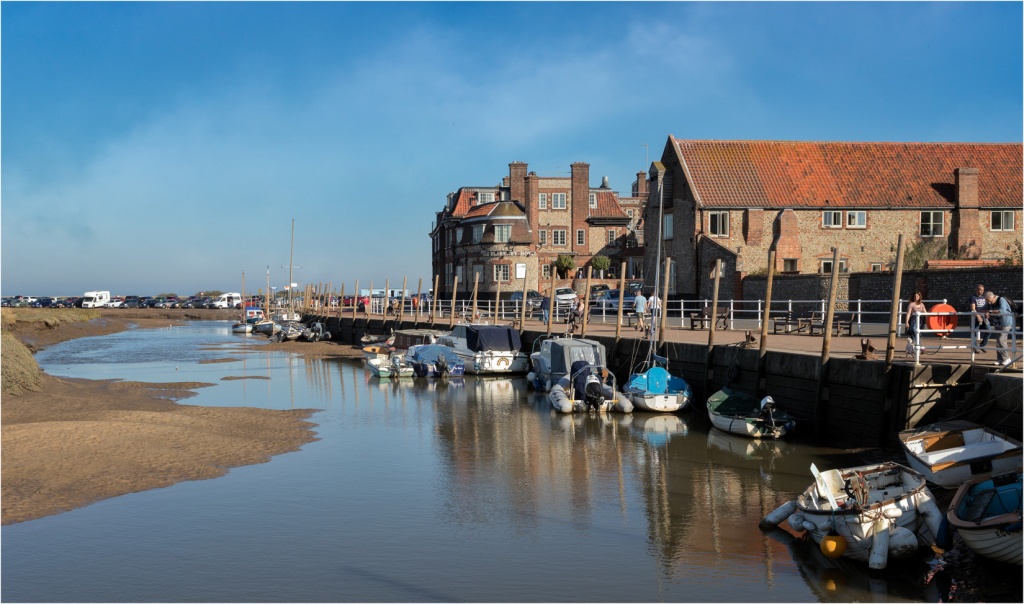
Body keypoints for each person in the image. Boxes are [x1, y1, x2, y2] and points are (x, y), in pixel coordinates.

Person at [984, 291, 1015, 366]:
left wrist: (990, 311)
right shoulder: (989, 302)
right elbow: (983, 309)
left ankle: (1007, 358)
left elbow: (1002, 310)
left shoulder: (1001, 300)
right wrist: (987, 312)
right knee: (998, 341)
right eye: (987, 301)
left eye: (989, 300)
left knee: (1001, 340)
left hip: (1005, 323)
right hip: (997, 323)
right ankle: (1000, 359)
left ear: (993, 296)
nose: (989, 302)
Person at [969, 283, 990, 353]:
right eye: (979, 290)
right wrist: (977, 316)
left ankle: (982, 345)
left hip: (984, 318)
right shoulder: (973, 298)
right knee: (974, 332)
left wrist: (987, 313)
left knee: (988, 331)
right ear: (976, 290)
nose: (981, 291)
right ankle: (975, 347)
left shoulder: (984, 298)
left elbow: (987, 308)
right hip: (976, 318)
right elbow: (973, 308)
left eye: (982, 290)